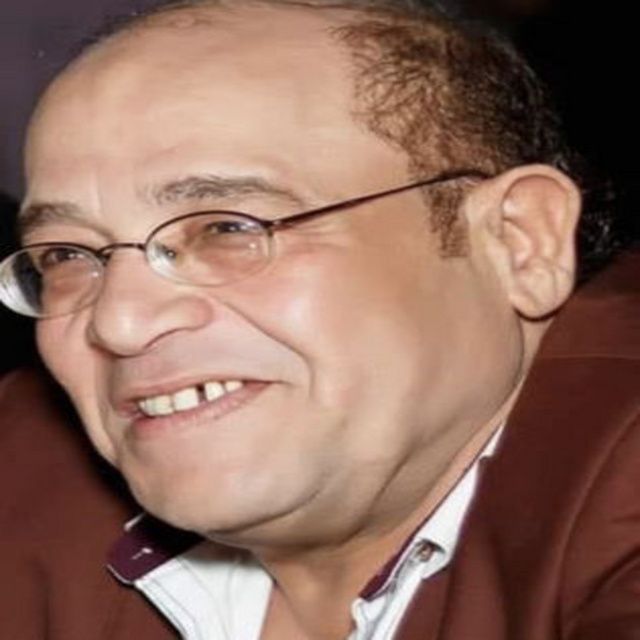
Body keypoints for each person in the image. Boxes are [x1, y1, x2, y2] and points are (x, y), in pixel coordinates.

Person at [0, 1, 637, 638]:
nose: (119, 322)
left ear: (518, 242)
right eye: (66, 255)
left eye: (227, 228)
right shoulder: (29, 475)